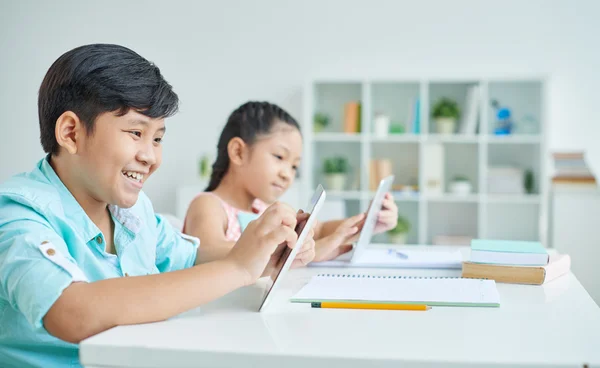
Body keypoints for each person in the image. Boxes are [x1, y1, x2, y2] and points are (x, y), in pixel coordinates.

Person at [0, 45, 314, 368]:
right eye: (136, 133)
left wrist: (264, 255)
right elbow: (71, 312)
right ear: (70, 133)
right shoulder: (18, 215)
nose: (150, 157)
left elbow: (189, 258)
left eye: (158, 139)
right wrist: (236, 269)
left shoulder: (132, 209)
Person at [183, 101, 398, 262]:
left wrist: (368, 222)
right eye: (279, 157)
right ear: (238, 152)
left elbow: (319, 229)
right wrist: (295, 252)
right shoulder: (208, 205)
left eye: (294, 166)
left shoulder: (263, 209)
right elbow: (206, 254)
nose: (288, 174)